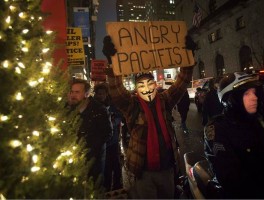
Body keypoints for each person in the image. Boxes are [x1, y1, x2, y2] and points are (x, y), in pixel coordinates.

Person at [102, 35, 196, 199]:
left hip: (167, 169)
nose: (146, 88)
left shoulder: (165, 100)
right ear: (136, 89)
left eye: (150, 84)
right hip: (143, 173)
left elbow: (182, 83)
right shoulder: (131, 105)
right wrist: (112, 63)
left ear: (155, 85)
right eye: (141, 85)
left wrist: (188, 60)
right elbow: (116, 90)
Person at [204, 72, 264, 199]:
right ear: (230, 99)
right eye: (246, 94)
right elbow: (230, 178)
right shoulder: (217, 129)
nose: (254, 97)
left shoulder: (259, 120)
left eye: (254, 92)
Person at [66, 79, 113, 188]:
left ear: (86, 94)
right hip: (74, 159)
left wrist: (87, 148)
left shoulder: (99, 109)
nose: (73, 95)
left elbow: (107, 134)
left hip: (93, 160)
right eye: (72, 92)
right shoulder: (68, 108)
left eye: (77, 92)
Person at [94, 83, 124, 191]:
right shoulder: (94, 106)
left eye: (102, 93)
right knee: (105, 165)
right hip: (102, 142)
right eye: (98, 94)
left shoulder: (112, 105)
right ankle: (106, 187)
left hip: (113, 140)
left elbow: (119, 117)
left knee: (116, 164)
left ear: (106, 94)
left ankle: (118, 186)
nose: (101, 96)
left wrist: (112, 122)